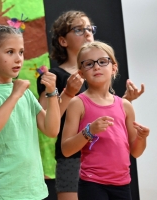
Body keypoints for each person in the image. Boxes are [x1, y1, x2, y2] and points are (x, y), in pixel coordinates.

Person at [37, 10, 145, 200]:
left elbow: (107, 112)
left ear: (113, 68)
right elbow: (46, 121)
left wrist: (126, 100)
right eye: (79, 29)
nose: (87, 33)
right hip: (74, 161)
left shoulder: (102, 83)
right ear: (63, 40)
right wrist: (69, 94)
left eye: (89, 28)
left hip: (111, 170)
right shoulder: (57, 77)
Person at [0, 24, 60, 200]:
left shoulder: (25, 92)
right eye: (10, 52)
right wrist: (14, 94)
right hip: (1, 190)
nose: (18, 59)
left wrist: (52, 93)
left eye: (21, 52)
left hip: (33, 189)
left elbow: (51, 130)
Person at [61, 41, 149, 200]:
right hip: (92, 184)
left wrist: (142, 138)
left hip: (123, 184)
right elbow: (66, 149)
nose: (96, 67)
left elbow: (136, 152)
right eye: (89, 64)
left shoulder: (125, 106)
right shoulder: (77, 103)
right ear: (81, 73)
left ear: (114, 67)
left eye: (102, 61)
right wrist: (89, 131)